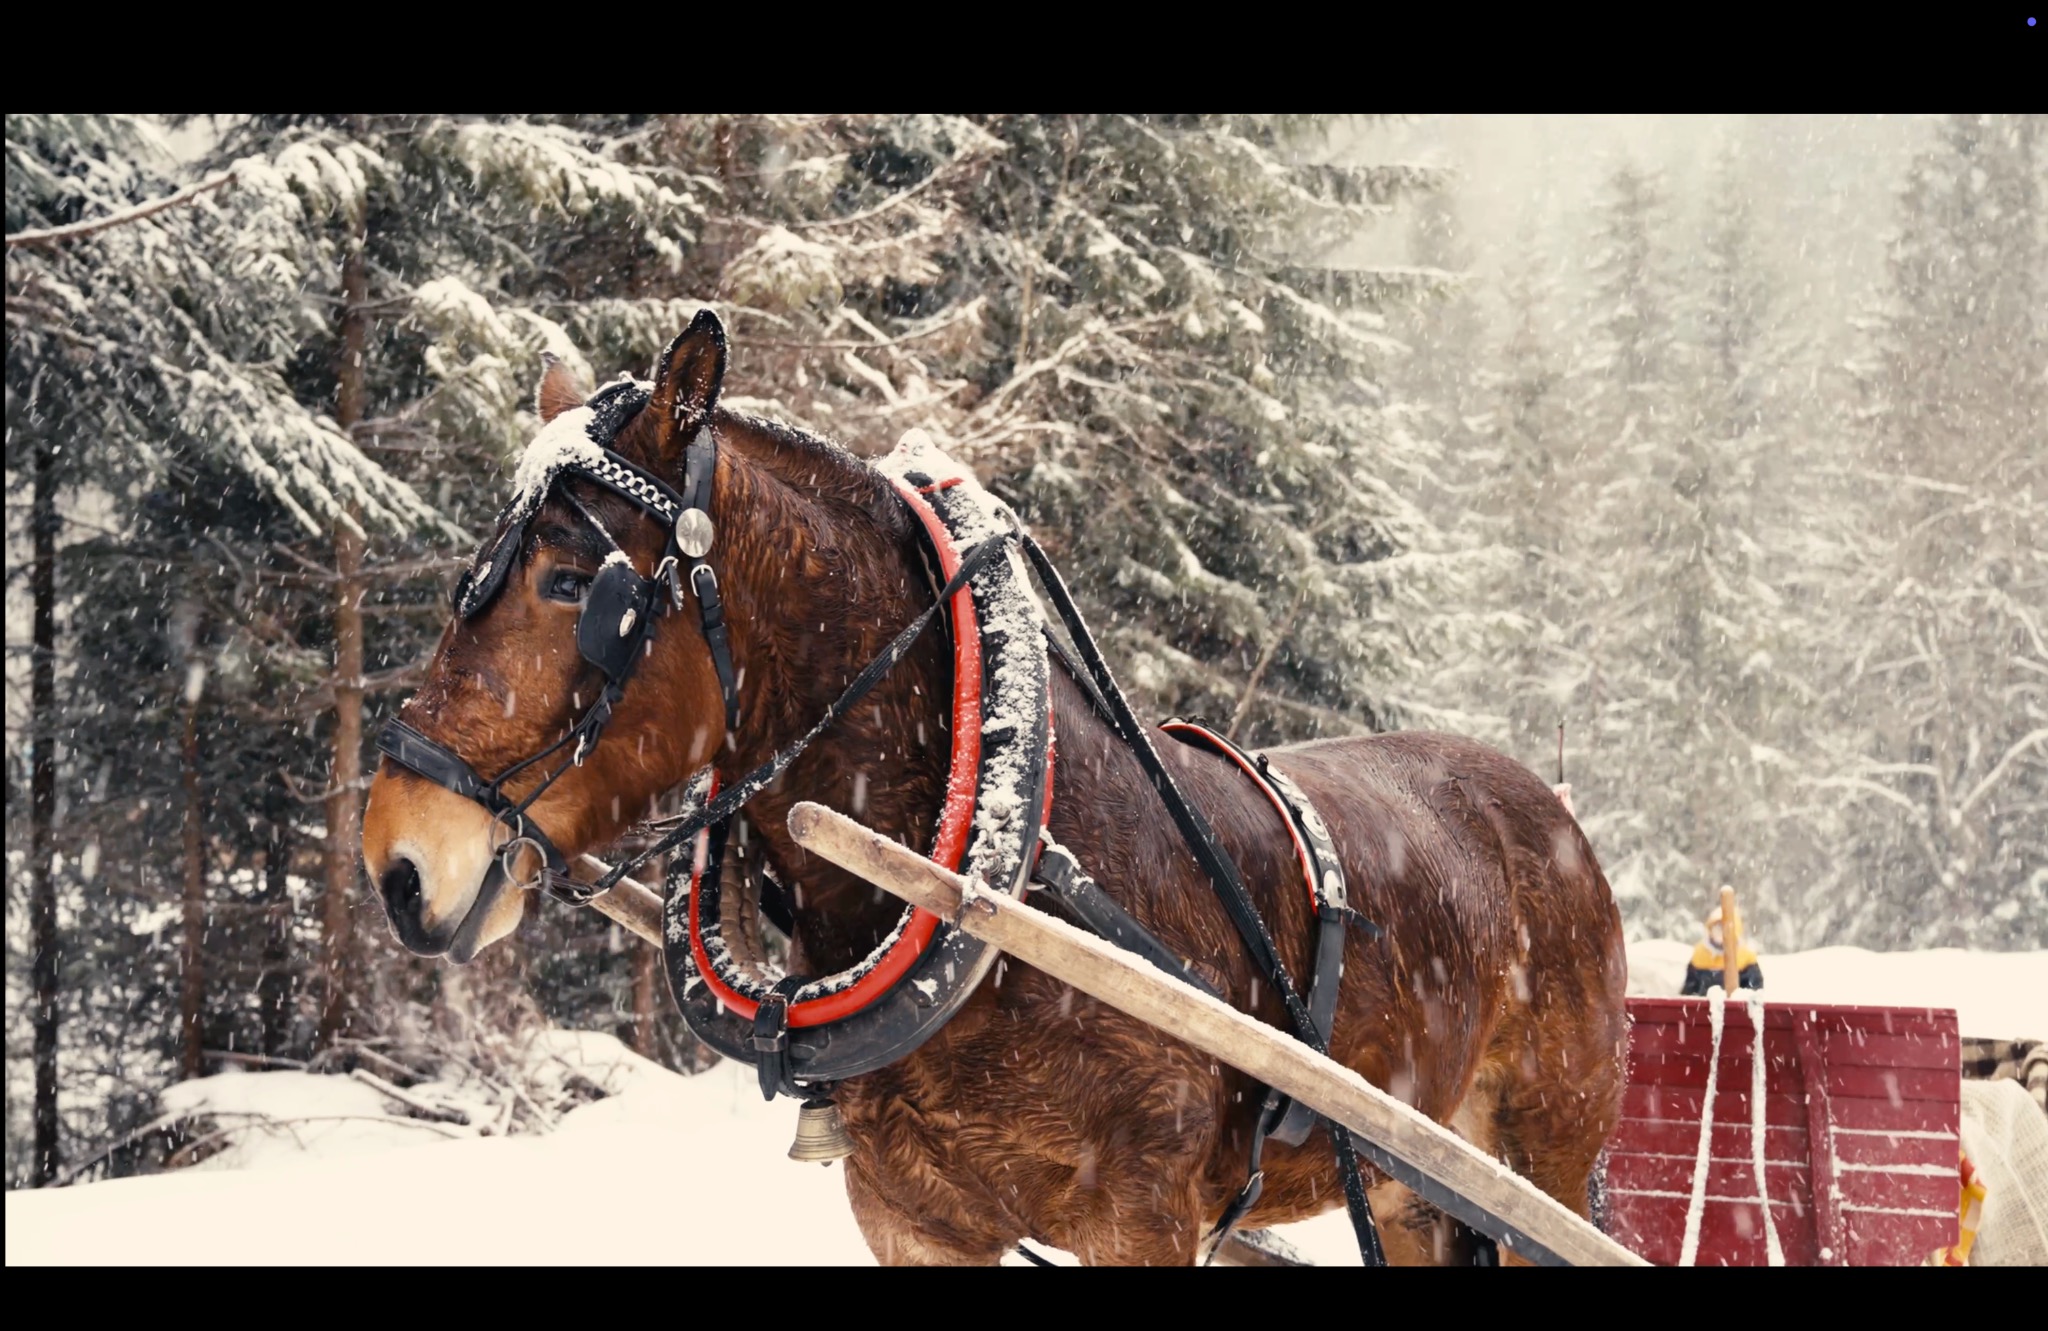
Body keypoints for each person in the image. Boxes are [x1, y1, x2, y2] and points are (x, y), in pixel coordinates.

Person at [1680, 906, 1763, 996]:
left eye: (1725, 927)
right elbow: (1689, 991)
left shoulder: (1746, 957)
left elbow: (1754, 991)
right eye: (1717, 927)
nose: (1721, 932)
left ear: (1735, 930)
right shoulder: (1699, 954)